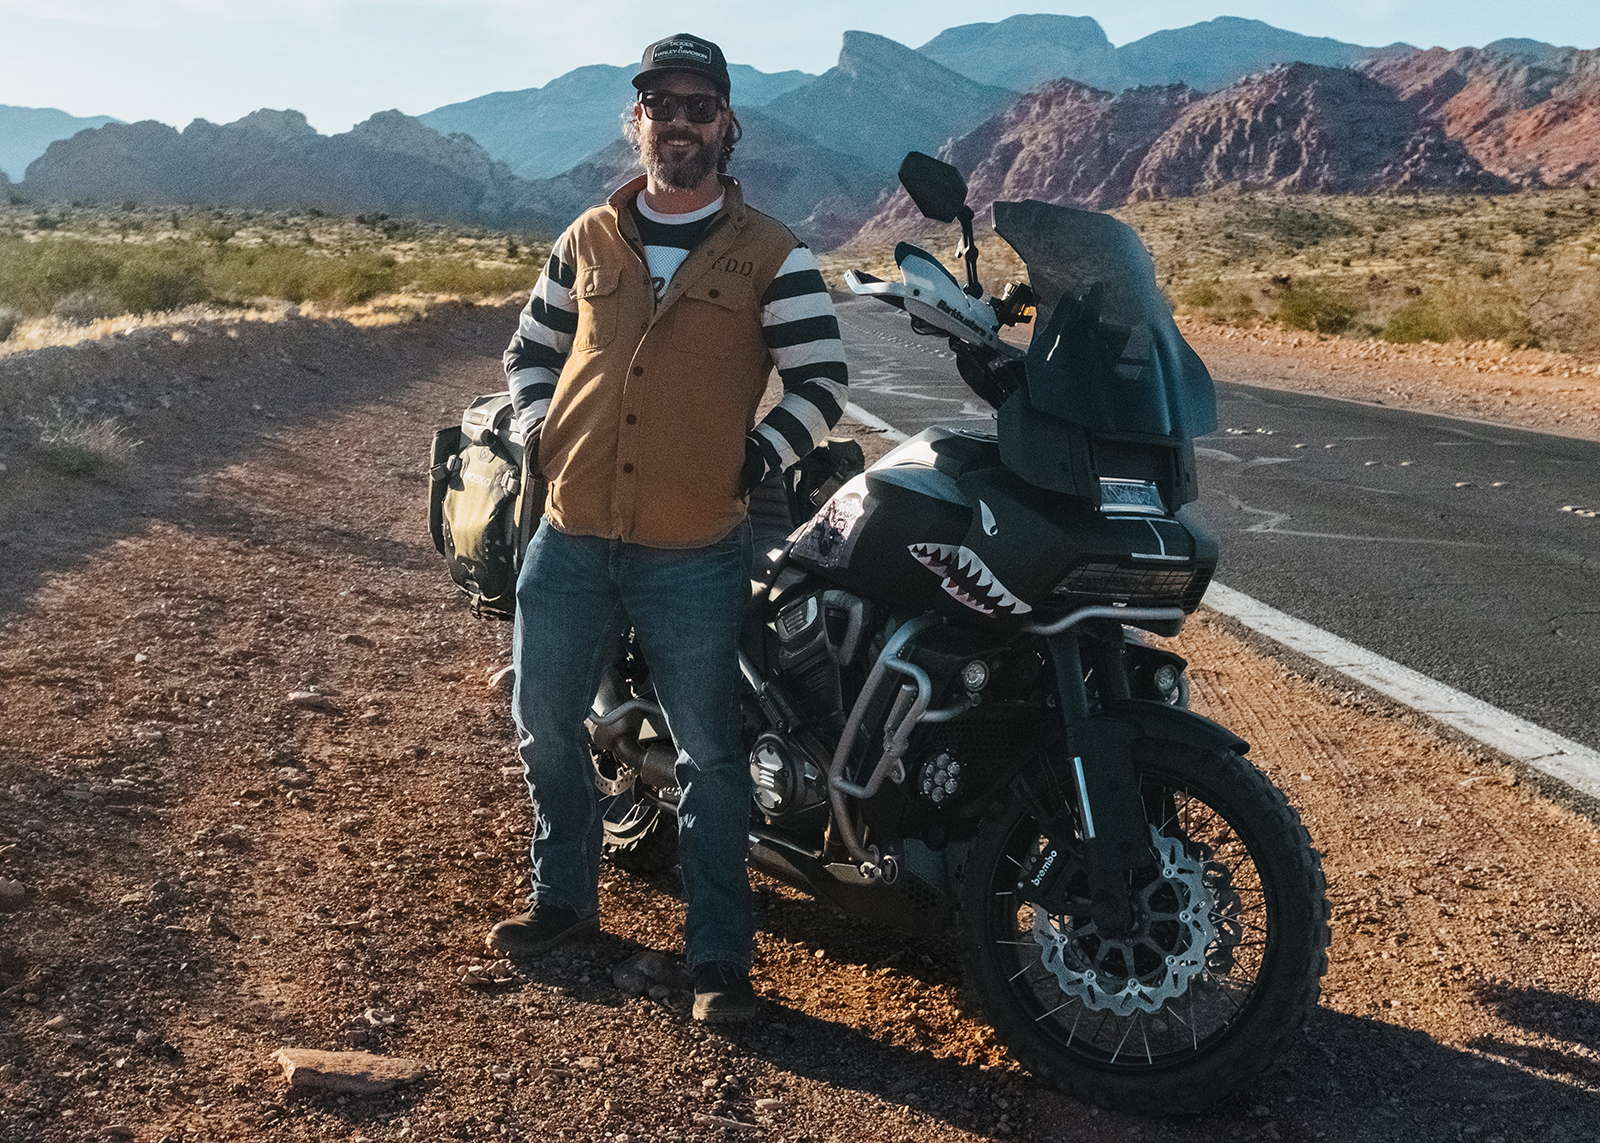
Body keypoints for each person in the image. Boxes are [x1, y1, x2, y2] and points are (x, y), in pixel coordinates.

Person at [485, 32, 849, 1024]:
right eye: (662, 102)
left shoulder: (774, 252)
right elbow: (530, 353)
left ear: (726, 124)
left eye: (699, 105)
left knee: (712, 759)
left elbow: (822, 380)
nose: (679, 121)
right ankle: (562, 906)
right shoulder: (585, 239)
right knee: (544, 725)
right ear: (635, 118)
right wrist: (535, 427)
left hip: (696, 542)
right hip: (571, 531)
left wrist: (759, 455)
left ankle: (718, 961)